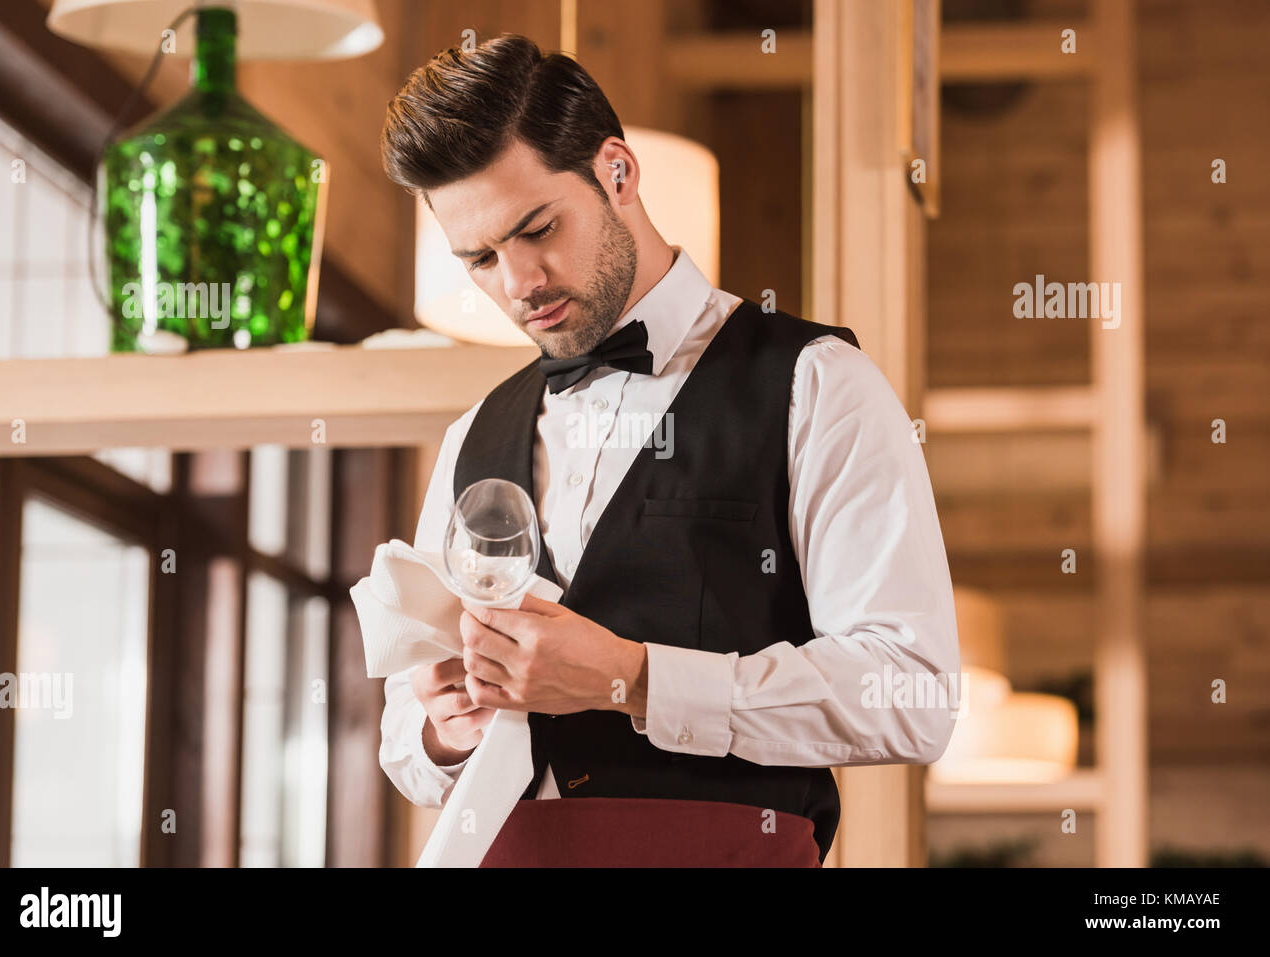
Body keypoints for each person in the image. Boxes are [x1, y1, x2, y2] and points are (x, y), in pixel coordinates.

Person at [375, 32, 960, 867]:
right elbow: (410, 746)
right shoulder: (475, 430)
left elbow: (916, 693)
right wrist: (443, 725)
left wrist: (634, 676)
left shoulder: (817, 384)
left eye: (537, 228)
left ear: (617, 170)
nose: (519, 283)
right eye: (480, 259)